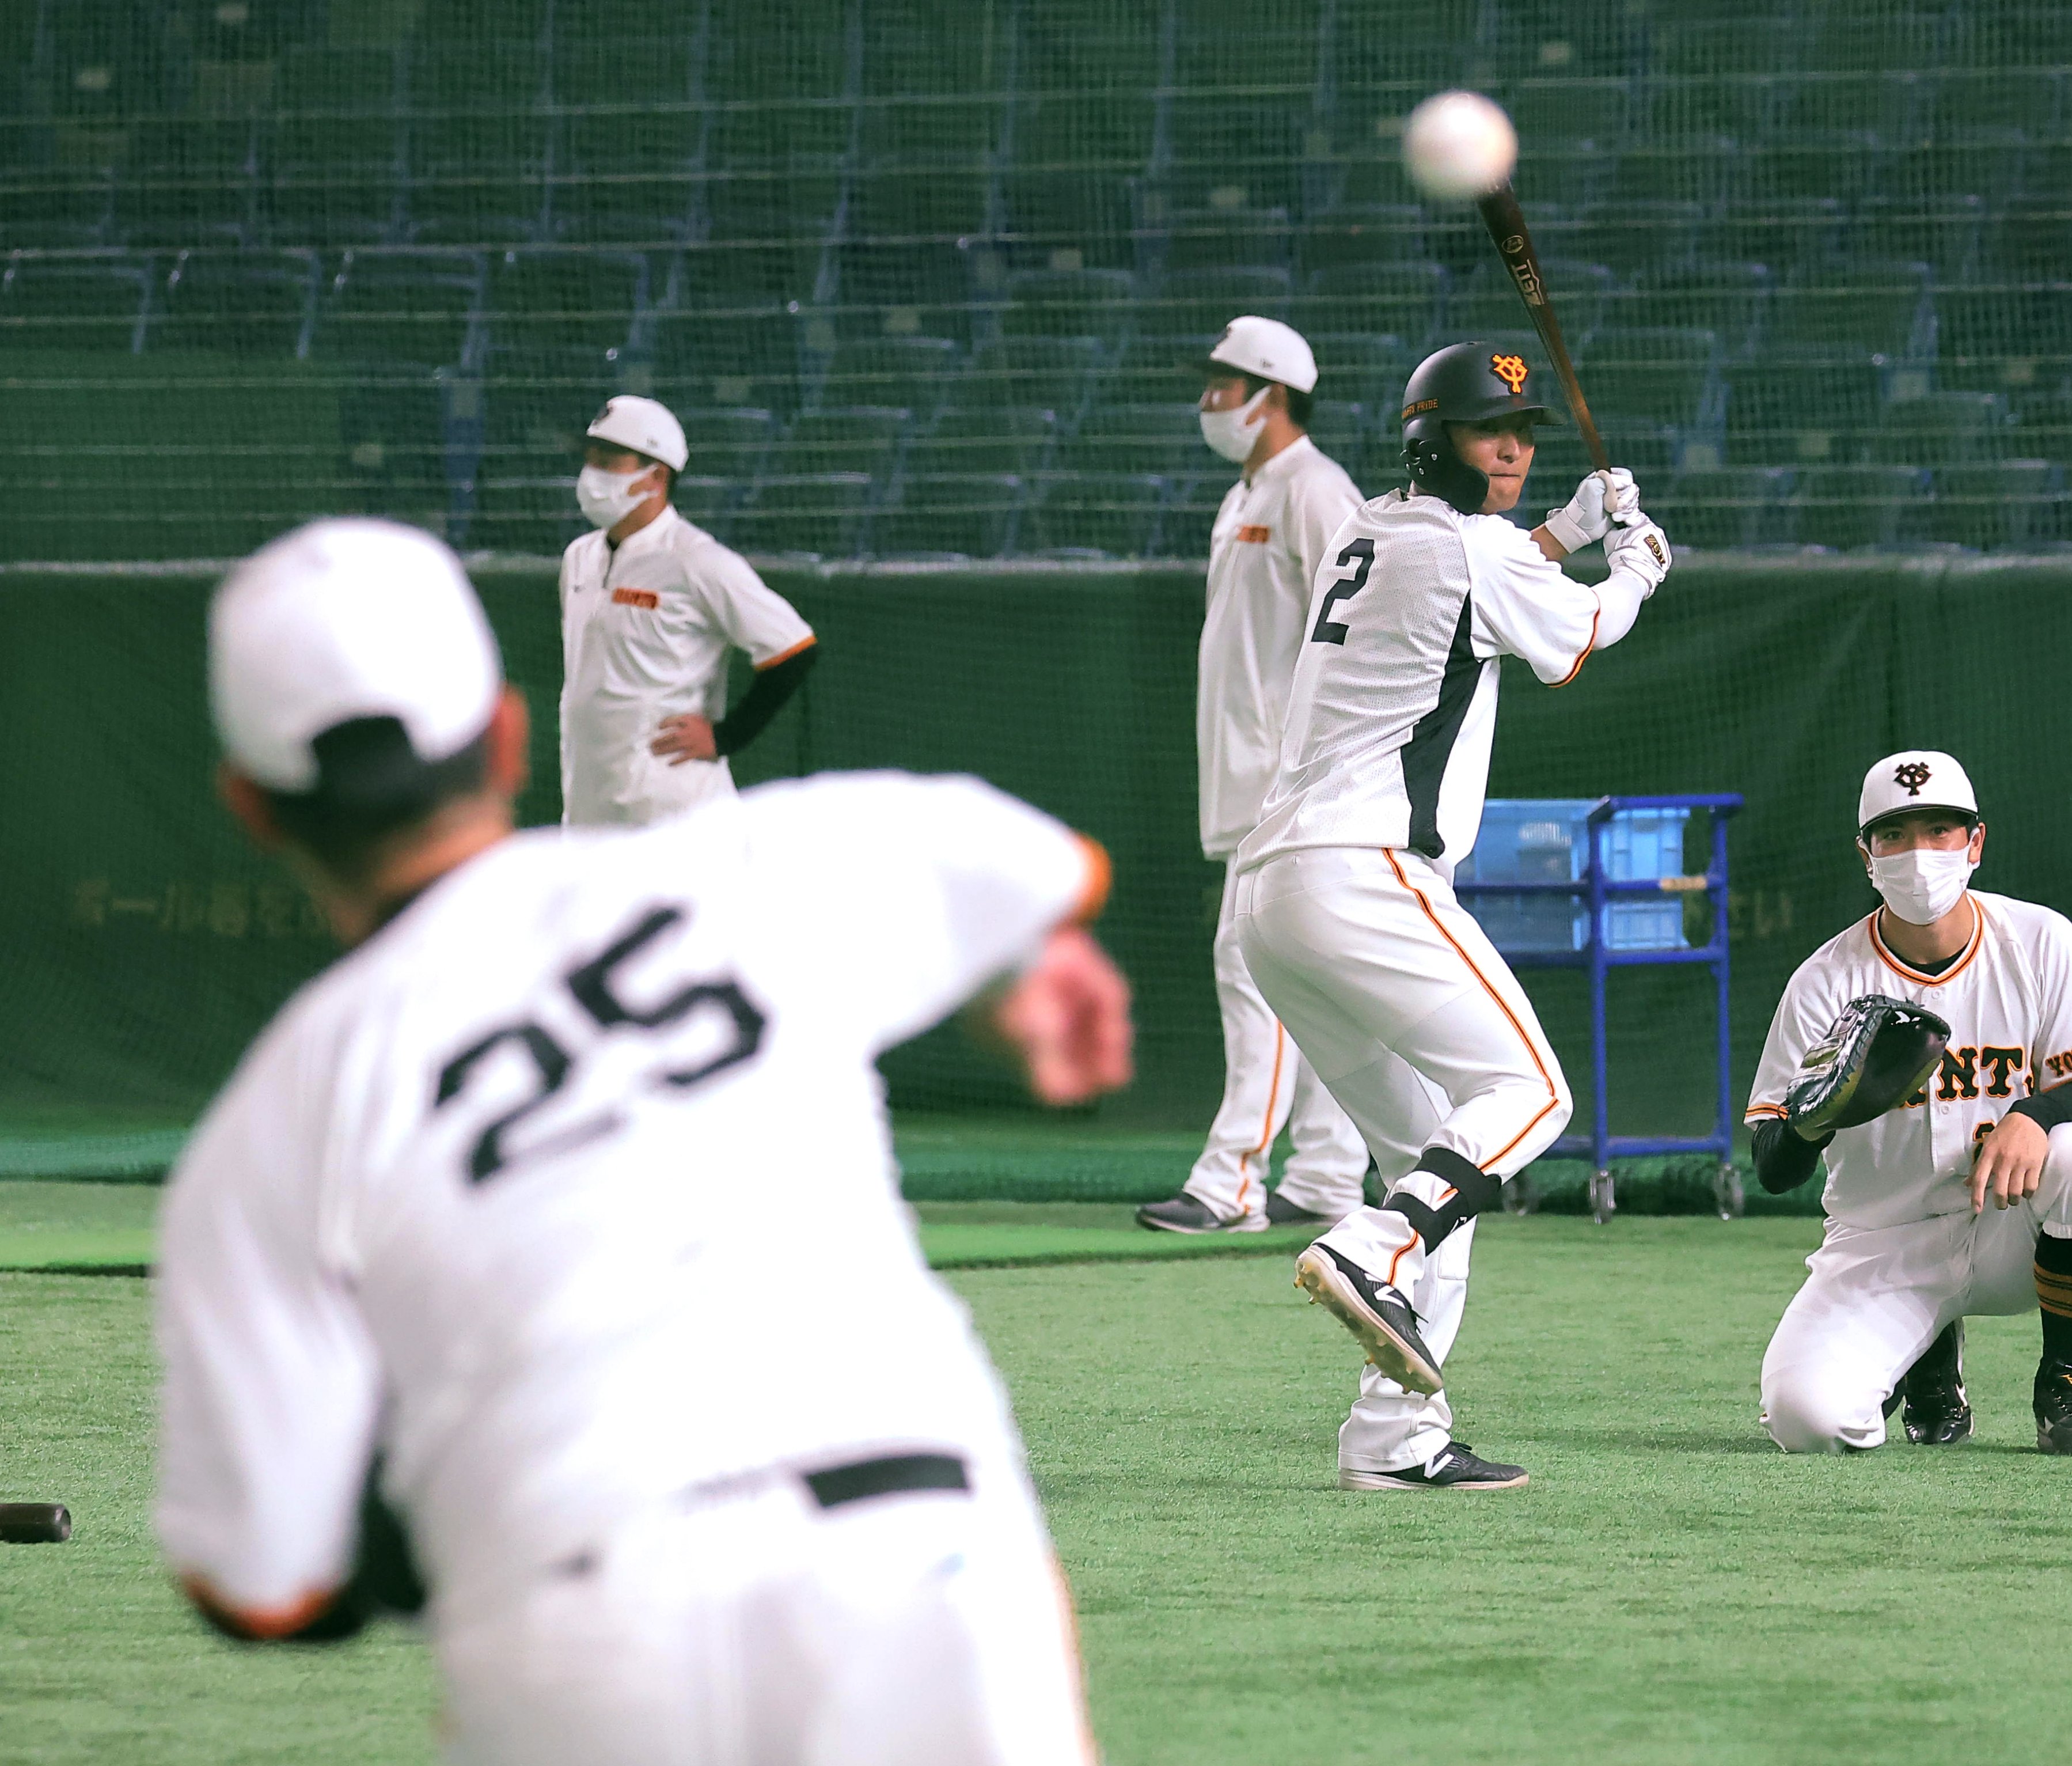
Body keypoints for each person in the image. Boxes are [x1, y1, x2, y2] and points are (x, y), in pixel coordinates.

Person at [155, 517, 1129, 1764]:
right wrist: (1026, 971)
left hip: (581, 1613)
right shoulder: (743, 867)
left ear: (249, 808)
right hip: (919, 1549)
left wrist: (401, 1526)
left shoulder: (271, 1125)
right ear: (510, 736)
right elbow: (1025, 863)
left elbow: (262, 1581)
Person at [1235, 342, 1675, 1490]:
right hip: (1363, 871)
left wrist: (1563, 531)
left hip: (1273, 896)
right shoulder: (1470, 550)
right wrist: (1633, 562)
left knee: (1439, 1166)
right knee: (1531, 1096)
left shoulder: (1371, 528)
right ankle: (1369, 1246)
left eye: (1524, 432)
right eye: (1492, 430)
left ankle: (1394, 1439)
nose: (1515, 448)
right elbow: (1579, 634)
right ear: (1435, 440)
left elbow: (1478, 583)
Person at [1748, 751, 2072, 1457]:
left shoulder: (2040, 940)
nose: (1919, 854)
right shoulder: (1823, 983)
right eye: (1894, 835)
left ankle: (2066, 1387)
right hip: (1882, 1245)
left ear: (1974, 843)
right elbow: (1772, 1169)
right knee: (1809, 1422)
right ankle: (1925, 1350)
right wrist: (1815, 1119)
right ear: (1866, 855)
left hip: (2010, 1229)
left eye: (1939, 830)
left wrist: (2035, 1115)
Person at [1136, 316, 1372, 1235]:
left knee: (1251, 969)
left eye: (1222, 383)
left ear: (1272, 395)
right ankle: (1325, 1175)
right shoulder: (1246, 495)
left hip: (1293, 782)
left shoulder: (1316, 490)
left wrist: (1316, 762)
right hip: (1255, 776)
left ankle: (1231, 1180)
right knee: (1309, 975)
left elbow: (1361, 632)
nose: (1208, 399)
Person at [560, 395, 820, 828]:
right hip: (589, 807)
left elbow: (794, 648)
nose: (591, 473)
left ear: (656, 476)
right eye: (590, 459)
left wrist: (725, 736)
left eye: (608, 461)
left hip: (675, 812)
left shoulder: (697, 561)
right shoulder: (579, 558)